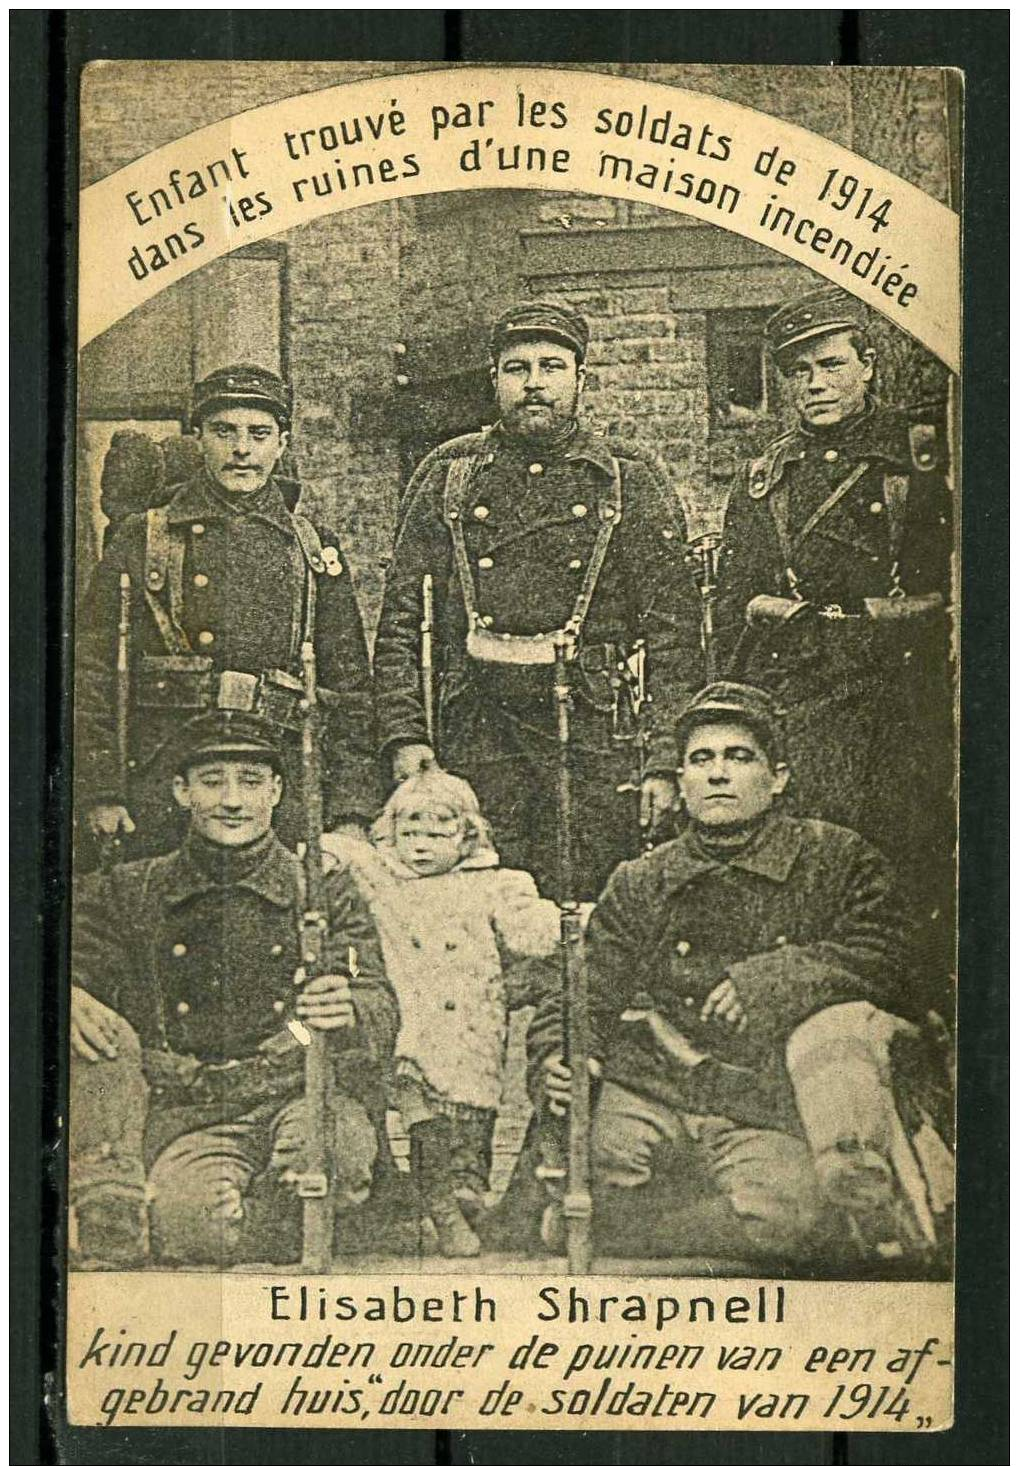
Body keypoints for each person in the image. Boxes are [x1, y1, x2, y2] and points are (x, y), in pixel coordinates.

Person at [528, 682, 952, 1272]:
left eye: (738, 757)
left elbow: (894, 958)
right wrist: (559, 1054)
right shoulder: (641, 879)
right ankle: (649, 1215)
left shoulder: (837, 857)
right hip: (655, 1083)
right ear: (681, 782)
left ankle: (635, 1225)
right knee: (586, 1175)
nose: (718, 774)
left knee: (788, 1221)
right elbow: (582, 990)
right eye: (701, 760)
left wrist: (773, 981)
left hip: (761, 1094)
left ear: (777, 778)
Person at [373, 301, 702, 901]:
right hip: (474, 726)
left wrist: (662, 759)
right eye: (516, 368)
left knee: (590, 898)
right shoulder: (449, 473)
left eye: (551, 367)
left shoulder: (629, 478)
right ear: (493, 380)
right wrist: (407, 737)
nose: (533, 384)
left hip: (593, 730)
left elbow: (676, 637)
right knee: (473, 900)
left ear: (581, 380)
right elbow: (400, 620)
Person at [68, 705, 397, 1268]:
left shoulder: (323, 888)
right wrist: (66, 993)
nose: (232, 801)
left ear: (276, 791)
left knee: (331, 1162)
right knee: (198, 1231)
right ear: (180, 791)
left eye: (250, 782)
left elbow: (374, 991)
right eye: (211, 782)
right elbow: (73, 967)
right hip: (195, 1105)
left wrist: (346, 1006)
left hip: (298, 1087)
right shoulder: (130, 890)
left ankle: (292, 1202)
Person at [715, 286, 955, 984]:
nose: (813, 385)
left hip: (904, 699)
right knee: (814, 865)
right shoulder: (764, 478)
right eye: (797, 372)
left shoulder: (923, 458)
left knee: (911, 863)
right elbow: (735, 609)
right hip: (807, 701)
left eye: (829, 365)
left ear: (868, 365)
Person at [75, 363, 376, 859]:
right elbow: (92, 668)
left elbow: (347, 684)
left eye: (259, 434)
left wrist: (349, 811)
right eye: (223, 432)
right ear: (198, 440)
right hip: (164, 777)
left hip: (280, 778)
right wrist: (101, 791)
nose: (241, 449)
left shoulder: (311, 545)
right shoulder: (143, 536)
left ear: (281, 444)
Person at [325, 769, 563, 1257]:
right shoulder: (385, 882)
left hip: (470, 1022)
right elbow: (342, 854)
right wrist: (329, 853)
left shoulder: (494, 884)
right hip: (411, 1021)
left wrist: (549, 921)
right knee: (419, 1105)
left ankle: (463, 1191)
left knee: (471, 1114)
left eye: (437, 833)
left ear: (467, 835)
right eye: (410, 833)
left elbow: (527, 930)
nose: (421, 846)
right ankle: (439, 1203)